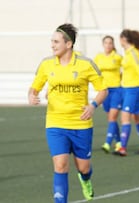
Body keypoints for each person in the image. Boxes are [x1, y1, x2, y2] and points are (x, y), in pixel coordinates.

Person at [28, 23, 108, 202]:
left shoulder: (86, 64)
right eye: (52, 41)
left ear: (69, 44)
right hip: (55, 123)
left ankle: (85, 180)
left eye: (56, 41)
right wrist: (32, 96)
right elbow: (34, 88)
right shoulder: (46, 64)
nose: (52, 45)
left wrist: (93, 105)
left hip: (81, 123)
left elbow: (103, 90)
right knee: (60, 165)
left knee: (84, 168)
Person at [113, 29, 139, 156]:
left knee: (125, 116)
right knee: (137, 117)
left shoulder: (134, 53)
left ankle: (122, 147)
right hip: (127, 89)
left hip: (133, 89)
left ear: (124, 39)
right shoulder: (127, 53)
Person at [94, 35, 123, 153]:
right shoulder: (98, 57)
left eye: (110, 43)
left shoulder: (117, 57)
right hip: (104, 91)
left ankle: (107, 142)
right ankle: (119, 142)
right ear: (103, 44)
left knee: (113, 116)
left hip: (116, 89)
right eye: (106, 43)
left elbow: (125, 71)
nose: (108, 45)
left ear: (113, 44)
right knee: (111, 118)